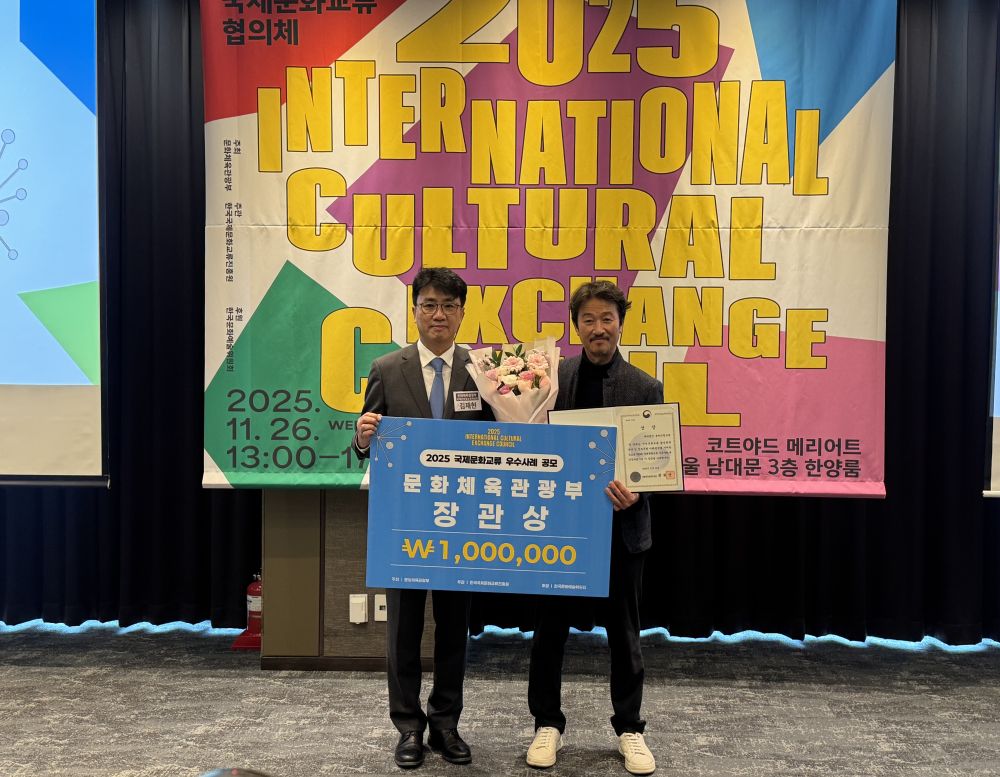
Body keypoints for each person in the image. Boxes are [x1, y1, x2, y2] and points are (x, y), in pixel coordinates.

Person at [353, 268, 493, 769]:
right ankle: (409, 728)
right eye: (429, 305)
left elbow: (504, 440)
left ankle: (446, 724)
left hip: (462, 523)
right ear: (414, 311)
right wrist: (362, 437)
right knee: (403, 631)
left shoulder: (484, 373)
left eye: (449, 306)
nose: (439, 315)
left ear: (462, 314)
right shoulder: (387, 368)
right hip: (405, 524)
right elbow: (365, 444)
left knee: (455, 629)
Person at [525, 281, 662, 776]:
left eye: (607, 318)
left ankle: (630, 728)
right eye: (588, 319)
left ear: (620, 323)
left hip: (620, 530)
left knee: (624, 635)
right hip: (560, 527)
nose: (598, 328)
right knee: (549, 631)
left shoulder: (644, 387)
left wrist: (638, 492)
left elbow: (655, 463)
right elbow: (529, 442)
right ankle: (546, 723)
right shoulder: (551, 380)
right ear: (576, 326)